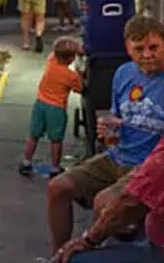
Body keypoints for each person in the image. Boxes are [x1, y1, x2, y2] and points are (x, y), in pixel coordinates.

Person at [47, 16, 164, 252]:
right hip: (117, 155)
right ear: (128, 48)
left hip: (149, 164)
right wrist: (109, 130)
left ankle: (93, 251)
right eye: (139, 48)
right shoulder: (123, 73)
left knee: (105, 203)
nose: (147, 54)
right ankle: (60, 256)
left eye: (154, 47)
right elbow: (115, 116)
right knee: (57, 187)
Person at [54, 136, 164, 262]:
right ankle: (58, 256)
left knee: (78, 259)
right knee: (59, 186)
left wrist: (88, 240)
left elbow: (132, 201)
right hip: (122, 159)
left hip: (158, 247)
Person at [19, 37, 84, 178]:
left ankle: (26, 162)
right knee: (55, 140)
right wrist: (80, 72)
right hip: (56, 109)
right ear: (71, 58)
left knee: (33, 136)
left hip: (40, 104)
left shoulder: (51, 62)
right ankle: (55, 168)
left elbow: (55, 52)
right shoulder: (70, 75)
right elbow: (80, 89)